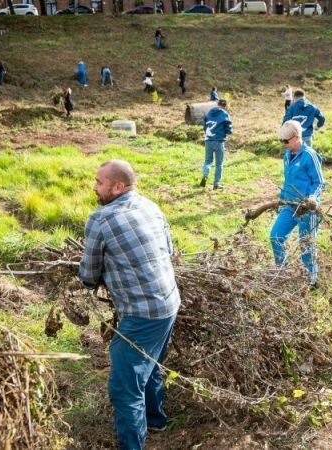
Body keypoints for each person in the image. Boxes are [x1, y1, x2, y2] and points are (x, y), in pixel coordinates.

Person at [79, 159, 181, 450]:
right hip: (170, 303)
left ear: (118, 186)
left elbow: (88, 276)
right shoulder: (151, 206)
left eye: (100, 182)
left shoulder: (100, 219)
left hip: (142, 314)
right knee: (149, 365)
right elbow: (169, 250)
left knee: (124, 388)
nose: (95, 187)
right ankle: (156, 421)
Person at [270, 120, 325, 287]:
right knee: (276, 236)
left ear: (296, 137)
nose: (284, 144)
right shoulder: (288, 156)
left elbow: (320, 183)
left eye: (286, 141)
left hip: (307, 209)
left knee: (306, 245)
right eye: (282, 141)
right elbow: (288, 181)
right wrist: (282, 199)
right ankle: (282, 272)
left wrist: (312, 199)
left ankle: (312, 280)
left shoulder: (310, 156)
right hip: (290, 205)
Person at [200, 99, 233, 190]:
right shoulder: (224, 114)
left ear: (217, 104)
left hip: (208, 141)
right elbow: (229, 128)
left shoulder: (209, 112)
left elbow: (204, 126)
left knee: (207, 161)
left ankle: (205, 178)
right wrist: (228, 132)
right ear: (225, 106)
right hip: (218, 141)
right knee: (219, 164)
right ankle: (216, 184)